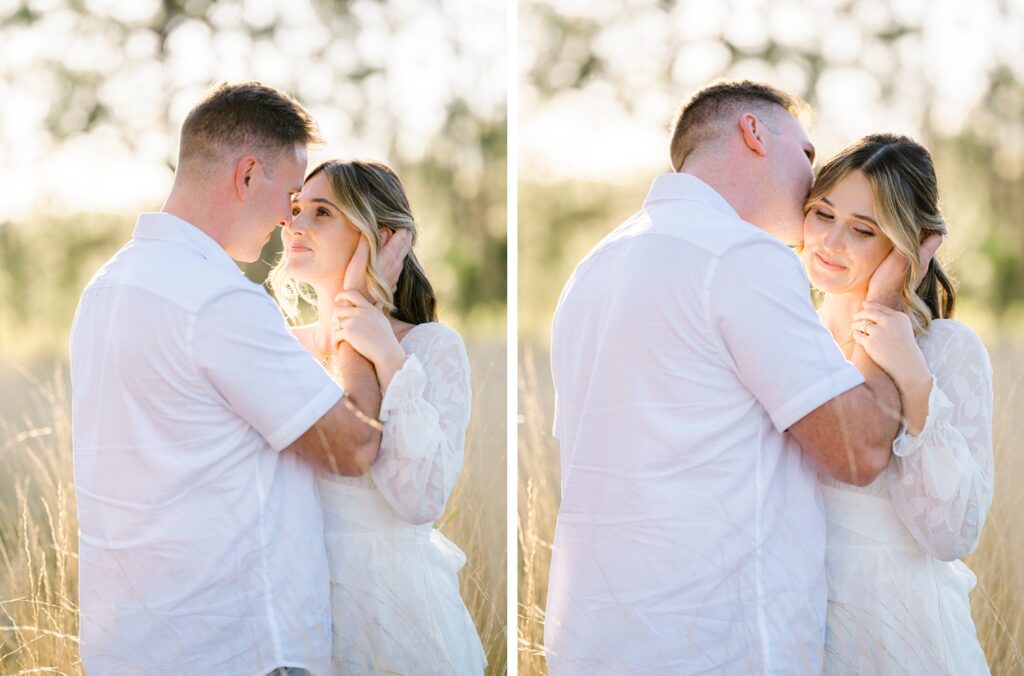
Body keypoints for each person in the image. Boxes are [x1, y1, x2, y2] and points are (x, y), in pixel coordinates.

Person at [545, 80, 925, 674]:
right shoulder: (739, 256)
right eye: (805, 153)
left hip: (593, 640)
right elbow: (860, 448)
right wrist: (887, 304)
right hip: (717, 642)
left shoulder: (593, 267)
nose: (811, 179)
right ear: (754, 132)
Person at [70, 82, 403, 675]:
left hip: (129, 647)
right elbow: (354, 445)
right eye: (290, 193)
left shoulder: (108, 286)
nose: (288, 218)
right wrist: (359, 305)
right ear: (248, 175)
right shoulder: (217, 299)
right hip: (234, 649)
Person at [268, 159, 486, 674]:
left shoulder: (431, 348)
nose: (295, 225)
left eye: (321, 212)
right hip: (295, 604)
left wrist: (387, 357)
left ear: (383, 238)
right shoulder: (280, 348)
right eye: (295, 209)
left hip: (391, 610)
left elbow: (420, 500)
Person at [801, 134, 992, 674]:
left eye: (863, 230)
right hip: (797, 615)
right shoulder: (789, 340)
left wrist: (911, 376)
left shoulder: (948, 350)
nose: (831, 241)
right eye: (822, 213)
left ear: (908, 244)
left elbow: (952, 534)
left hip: (899, 622)